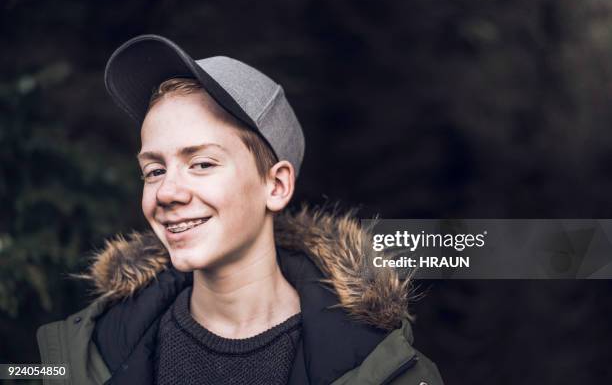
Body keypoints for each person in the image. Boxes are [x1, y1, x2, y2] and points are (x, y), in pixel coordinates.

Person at [37, 35, 444, 385]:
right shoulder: (86, 353)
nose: (167, 192)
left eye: (202, 163)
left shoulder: (381, 367)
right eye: (154, 170)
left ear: (276, 185)